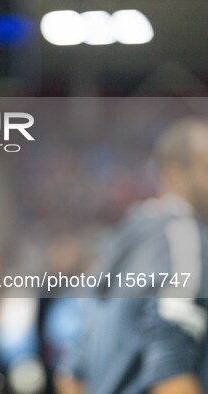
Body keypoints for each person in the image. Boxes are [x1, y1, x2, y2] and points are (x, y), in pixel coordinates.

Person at [57, 117, 208, 394]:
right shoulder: (183, 235)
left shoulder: (121, 239)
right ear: (174, 175)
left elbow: (70, 373)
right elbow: (172, 370)